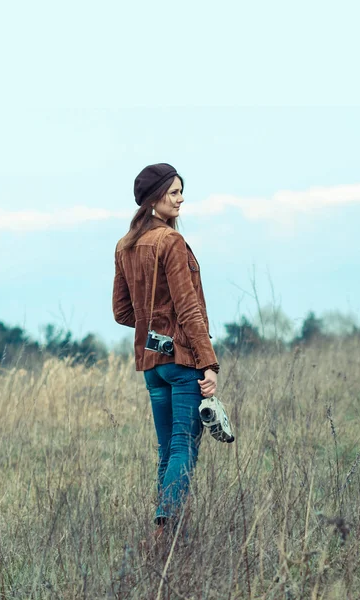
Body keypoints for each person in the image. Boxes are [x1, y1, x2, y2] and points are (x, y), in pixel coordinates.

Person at [112, 163, 220, 541]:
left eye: (180, 191)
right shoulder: (171, 243)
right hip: (182, 362)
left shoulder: (125, 246)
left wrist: (154, 327)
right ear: (155, 197)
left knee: (167, 449)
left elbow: (123, 312)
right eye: (174, 192)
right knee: (183, 446)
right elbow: (188, 308)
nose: (181, 198)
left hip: (151, 365)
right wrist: (208, 362)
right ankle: (168, 522)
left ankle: (164, 524)